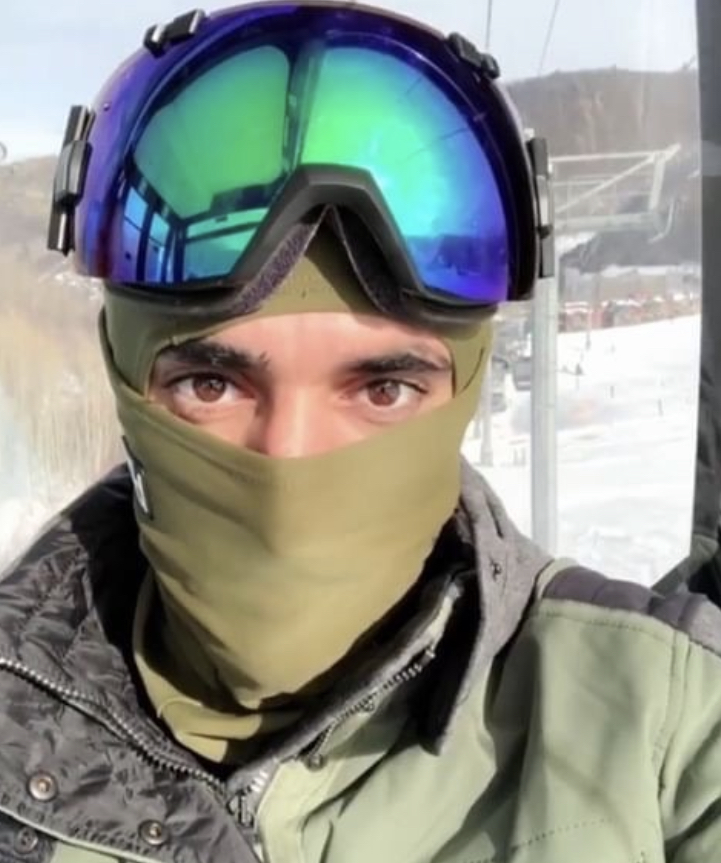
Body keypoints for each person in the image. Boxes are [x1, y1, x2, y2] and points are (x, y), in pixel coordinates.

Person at [1, 3, 719, 862]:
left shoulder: (661, 729)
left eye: (381, 388)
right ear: (125, 375)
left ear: (463, 386)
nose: (290, 457)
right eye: (212, 383)